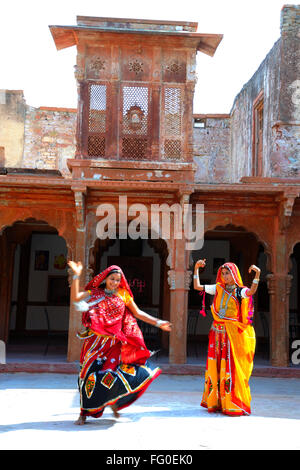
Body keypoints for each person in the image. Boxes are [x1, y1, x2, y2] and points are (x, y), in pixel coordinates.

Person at [68, 261, 171, 425]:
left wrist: (158, 323)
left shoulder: (123, 295)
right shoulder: (95, 293)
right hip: (94, 344)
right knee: (87, 376)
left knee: (110, 375)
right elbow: (76, 297)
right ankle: (83, 413)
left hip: (113, 345)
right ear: (105, 278)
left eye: (117, 280)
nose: (114, 282)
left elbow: (138, 313)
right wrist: (76, 275)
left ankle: (113, 402)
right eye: (112, 279)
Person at [194, 259, 260, 416]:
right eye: (223, 273)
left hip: (231, 336)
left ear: (234, 274)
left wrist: (257, 274)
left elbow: (251, 292)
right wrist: (196, 269)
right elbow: (197, 287)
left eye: (227, 273)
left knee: (230, 368)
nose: (225, 276)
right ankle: (216, 402)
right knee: (216, 368)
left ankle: (231, 403)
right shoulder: (218, 288)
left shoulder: (239, 291)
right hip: (217, 333)